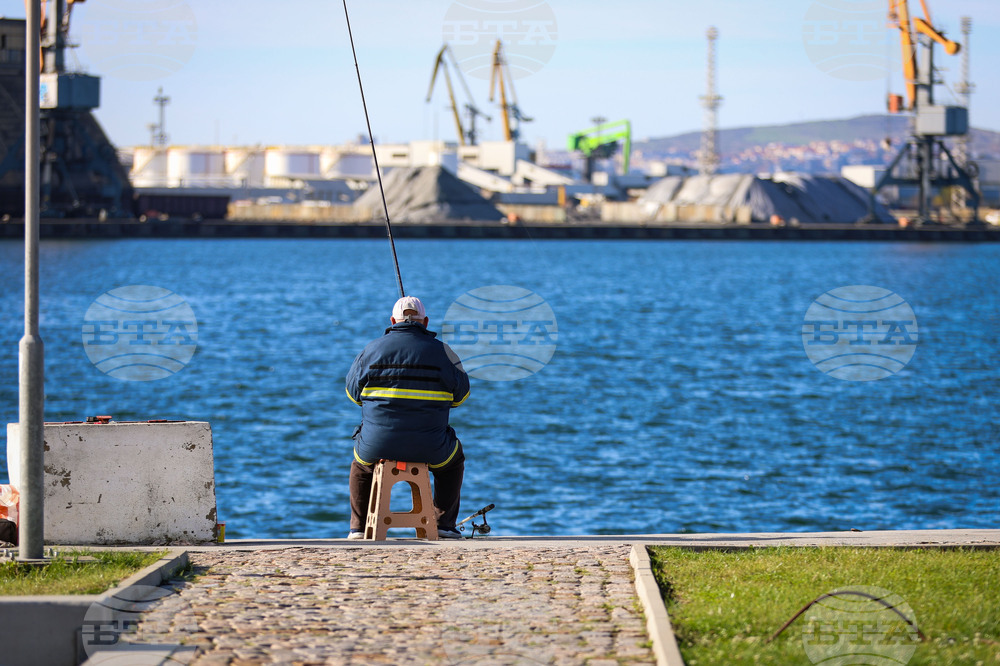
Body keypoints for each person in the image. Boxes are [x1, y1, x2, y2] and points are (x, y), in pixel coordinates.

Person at [345, 296, 470, 539]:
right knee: (453, 462)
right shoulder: (446, 353)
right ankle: (444, 524)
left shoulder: (371, 350)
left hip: (377, 444)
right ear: (425, 321)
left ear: (393, 321)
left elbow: (353, 395)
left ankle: (358, 529)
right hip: (431, 447)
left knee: (361, 466)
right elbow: (460, 397)